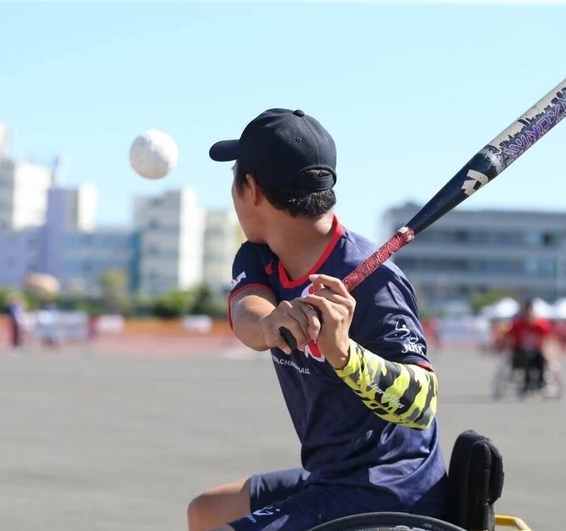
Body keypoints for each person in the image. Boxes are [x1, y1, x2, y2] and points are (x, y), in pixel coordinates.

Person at [187, 109, 448, 531]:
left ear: (250, 188)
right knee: (206, 512)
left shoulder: (375, 284)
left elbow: (421, 405)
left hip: (390, 492)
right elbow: (246, 311)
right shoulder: (260, 253)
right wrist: (271, 322)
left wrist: (344, 355)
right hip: (331, 479)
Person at [502, 299, 555, 395]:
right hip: (520, 351)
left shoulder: (540, 325)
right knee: (525, 358)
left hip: (536, 351)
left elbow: (547, 339)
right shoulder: (517, 325)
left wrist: (549, 353)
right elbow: (509, 338)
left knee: (541, 358)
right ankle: (526, 383)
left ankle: (540, 383)